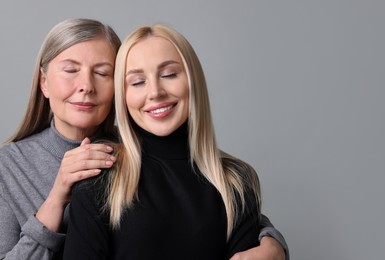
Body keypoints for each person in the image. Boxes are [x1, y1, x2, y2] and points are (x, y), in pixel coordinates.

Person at [63, 24, 288, 259]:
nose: (155, 92)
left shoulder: (235, 181)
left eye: (169, 74)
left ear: (193, 81)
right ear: (124, 96)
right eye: (138, 82)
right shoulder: (100, 179)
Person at [0, 18, 121, 259]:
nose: (86, 85)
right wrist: (56, 198)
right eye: (71, 70)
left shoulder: (141, 153)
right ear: (44, 83)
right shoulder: (7, 166)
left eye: (101, 72)